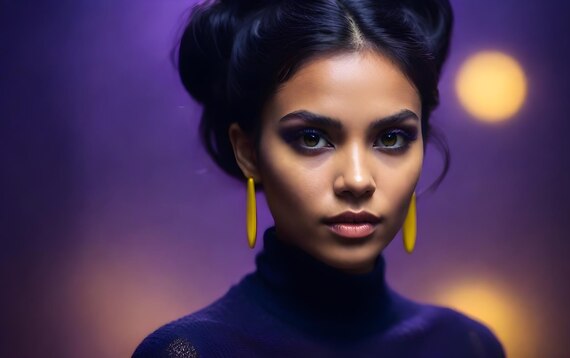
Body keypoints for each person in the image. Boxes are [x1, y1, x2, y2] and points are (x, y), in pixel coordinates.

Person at [133, 0, 506, 356]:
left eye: (391, 138)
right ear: (248, 152)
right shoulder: (189, 352)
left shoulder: (468, 346)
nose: (358, 180)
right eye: (312, 139)